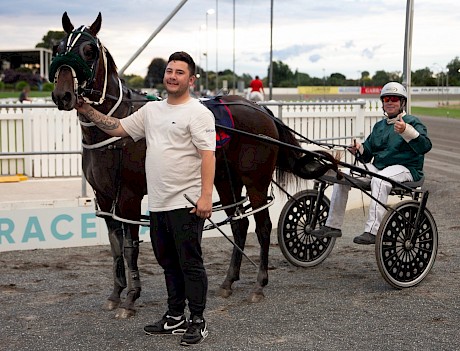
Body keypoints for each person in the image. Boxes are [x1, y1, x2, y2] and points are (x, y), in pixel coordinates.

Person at [75, 51, 216, 346]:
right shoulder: (152, 111)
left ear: (190, 80)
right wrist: (86, 110)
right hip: (159, 203)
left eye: (179, 72)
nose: (173, 76)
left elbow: (208, 155)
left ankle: (198, 320)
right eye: (169, 71)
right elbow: (118, 127)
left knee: (190, 263)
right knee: (167, 261)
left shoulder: (199, 113)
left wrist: (205, 197)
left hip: (186, 203)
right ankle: (175, 316)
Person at [312, 82, 432, 245]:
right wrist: (359, 149)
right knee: (343, 175)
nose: (390, 102)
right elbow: (367, 155)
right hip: (380, 167)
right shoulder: (380, 126)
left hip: (407, 168)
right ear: (382, 102)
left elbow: (425, 146)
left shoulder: (412, 121)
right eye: (386, 99)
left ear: (402, 102)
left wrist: (406, 131)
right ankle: (332, 225)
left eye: (394, 99)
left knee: (379, 179)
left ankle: (373, 231)